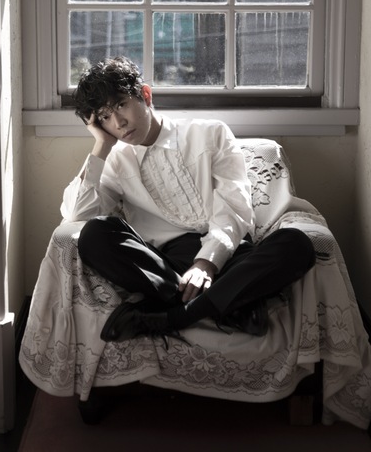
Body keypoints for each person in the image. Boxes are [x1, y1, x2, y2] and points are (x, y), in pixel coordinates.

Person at [61, 56, 315, 343]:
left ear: (145, 95)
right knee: (94, 234)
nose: (118, 123)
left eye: (121, 105)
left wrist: (206, 263)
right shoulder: (115, 160)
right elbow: (78, 213)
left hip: (231, 257)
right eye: (105, 117)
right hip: (166, 268)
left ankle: (175, 316)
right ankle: (233, 305)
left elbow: (234, 207)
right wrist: (101, 146)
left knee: (297, 244)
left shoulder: (210, 133)